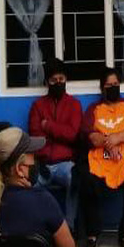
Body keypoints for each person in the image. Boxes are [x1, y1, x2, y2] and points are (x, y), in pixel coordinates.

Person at [78, 67, 124, 247]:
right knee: (86, 180)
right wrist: (110, 143)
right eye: (109, 85)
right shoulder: (93, 109)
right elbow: (88, 134)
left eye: (116, 84)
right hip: (101, 158)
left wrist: (117, 138)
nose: (113, 87)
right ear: (102, 88)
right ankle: (92, 233)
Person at [28, 58, 83, 219]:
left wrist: (48, 126)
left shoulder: (74, 105)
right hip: (42, 164)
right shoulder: (38, 106)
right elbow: (36, 137)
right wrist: (61, 133)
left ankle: (70, 227)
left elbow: (73, 134)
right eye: (54, 80)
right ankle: (37, 228)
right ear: (47, 82)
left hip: (66, 164)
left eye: (61, 79)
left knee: (76, 180)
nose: (58, 83)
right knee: (25, 184)